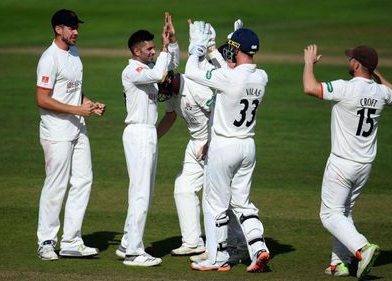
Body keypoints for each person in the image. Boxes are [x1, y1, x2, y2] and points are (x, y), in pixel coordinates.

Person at [302, 44, 392, 279]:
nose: (349, 62)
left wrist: (308, 63)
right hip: (364, 166)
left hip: (341, 164)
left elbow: (310, 88)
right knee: (343, 213)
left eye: (351, 60)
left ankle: (362, 248)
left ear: (356, 65)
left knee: (329, 215)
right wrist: (376, 74)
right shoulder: (380, 93)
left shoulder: (345, 88)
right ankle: (340, 263)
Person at [185, 23, 271, 273]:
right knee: (242, 203)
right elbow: (230, 72)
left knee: (215, 204)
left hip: (224, 146)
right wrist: (214, 50)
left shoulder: (228, 78)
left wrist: (199, 47)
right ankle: (258, 249)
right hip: (248, 146)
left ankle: (217, 257)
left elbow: (191, 71)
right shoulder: (262, 77)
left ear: (237, 49)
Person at [35, 9, 106, 261]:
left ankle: (71, 241)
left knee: (83, 181)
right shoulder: (49, 58)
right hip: (56, 132)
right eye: (71, 27)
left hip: (78, 128)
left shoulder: (74, 54)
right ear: (58, 29)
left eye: (77, 27)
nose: (76, 31)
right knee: (56, 184)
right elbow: (42, 99)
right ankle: (46, 241)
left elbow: (72, 90)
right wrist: (78, 109)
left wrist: (89, 103)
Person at [115, 12, 179, 267]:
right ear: (136, 51)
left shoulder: (148, 67)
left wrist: (171, 41)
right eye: (150, 49)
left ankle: (127, 242)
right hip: (138, 132)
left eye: (154, 48)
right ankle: (133, 252)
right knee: (140, 194)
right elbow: (158, 74)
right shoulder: (133, 71)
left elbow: (169, 67)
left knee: (144, 192)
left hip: (147, 133)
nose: (153, 52)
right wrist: (164, 48)